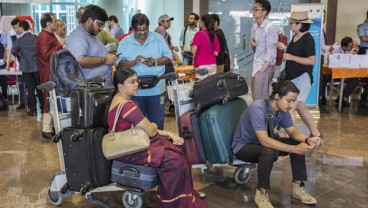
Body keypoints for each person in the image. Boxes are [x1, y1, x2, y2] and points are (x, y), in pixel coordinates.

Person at [109, 68, 207, 208]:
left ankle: (186, 193)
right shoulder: (126, 106)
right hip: (130, 151)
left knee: (177, 149)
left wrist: (167, 133)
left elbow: (147, 128)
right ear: (120, 85)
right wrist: (158, 129)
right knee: (175, 159)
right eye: (132, 82)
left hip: (132, 144)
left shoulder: (120, 100)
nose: (136, 84)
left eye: (137, 81)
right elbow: (149, 130)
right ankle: (176, 201)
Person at [232, 80, 322, 208]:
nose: (291, 105)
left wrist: (307, 140)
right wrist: (294, 149)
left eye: (294, 101)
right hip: (244, 146)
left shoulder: (283, 110)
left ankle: (298, 186)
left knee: (297, 141)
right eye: (289, 100)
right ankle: (261, 194)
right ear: (276, 96)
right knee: (268, 151)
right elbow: (264, 140)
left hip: (261, 143)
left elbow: (292, 132)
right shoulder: (258, 108)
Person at [116, 13, 172, 130]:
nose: (142, 32)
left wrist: (155, 62)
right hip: (135, 92)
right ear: (132, 28)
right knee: (136, 128)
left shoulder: (158, 38)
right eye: (138, 30)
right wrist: (133, 62)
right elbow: (119, 64)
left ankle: (158, 148)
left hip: (156, 91)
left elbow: (168, 57)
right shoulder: (125, 42)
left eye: (145, 29)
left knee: (157, 126)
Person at [277, 11, 322, 139]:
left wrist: (290, 56)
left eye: (292, 23)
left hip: (302, 77)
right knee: (300, 106)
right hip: (293, 77)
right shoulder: (296, 36)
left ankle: (291, 138)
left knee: (290, 108)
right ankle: (316, 133)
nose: (290, 24)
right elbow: (296, 54)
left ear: (299, 24)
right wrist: (285, 48)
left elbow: (311, 60)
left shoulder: (308, 39)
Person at [66, 4, 116, 87]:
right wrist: (105, 59)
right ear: (89, 20)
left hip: (100, 85)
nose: (101, 28)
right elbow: (80, 60)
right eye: (99, 24)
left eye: (102, 26)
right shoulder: (78, 36)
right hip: (91, 88)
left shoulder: (91, 35)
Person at [35, 13, 63, 139]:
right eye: (54, 21)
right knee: (49, 99)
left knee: (52, 99)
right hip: (48, 73)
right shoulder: (44, 37)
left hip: (52, 72)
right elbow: (47, 56)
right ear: (48, 24)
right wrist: (59, 44)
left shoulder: (48, 35)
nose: (57, 23)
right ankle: (46, 129)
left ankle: (50, 127)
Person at [11, 20, 43, 116]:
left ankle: (33, 110)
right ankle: (43, 108)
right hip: (36, 66)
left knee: (30, 89)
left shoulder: (19, 40)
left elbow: (13, 51)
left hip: (26, 67)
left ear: (21, 28)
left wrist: (20, 54)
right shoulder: (36, 38)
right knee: (39, 88)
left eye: (18, 27)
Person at [250, 0, 278, 101]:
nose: (254, 11)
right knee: (255, 95)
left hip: (266, 65)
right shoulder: (254, 26)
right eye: (253, 9)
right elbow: (255, 48)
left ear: (264, 12)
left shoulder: (270, 27)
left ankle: (264, 116)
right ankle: (259, 116)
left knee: (261, 96)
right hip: (257, 64)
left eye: (256, 9)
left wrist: (262, 70)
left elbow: (271, 52)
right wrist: (253, 45)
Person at [332, 37, 360, 107]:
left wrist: (355, 54)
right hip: (336, 74)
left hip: (347, 74)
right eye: (350, 46)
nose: (351, 47)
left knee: (355, 80)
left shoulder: (351, 51)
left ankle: (342, 98)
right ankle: (341, 99)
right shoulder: (335, 50)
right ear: (344, 47)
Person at [191, 14, 220, 80]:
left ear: (203, 23)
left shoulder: (198, 34)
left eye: (200, 21)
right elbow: (216, 53)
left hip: (201, 64)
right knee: (211, 85)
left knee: (201, 86)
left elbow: (193, 51)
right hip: (212, 65)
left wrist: (192, 43)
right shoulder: (214, 36)